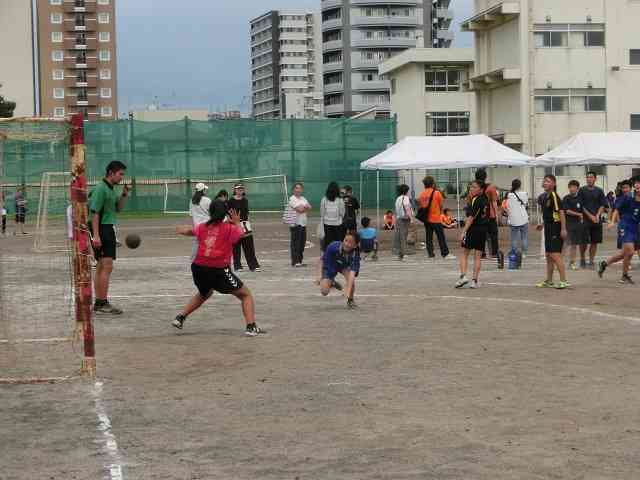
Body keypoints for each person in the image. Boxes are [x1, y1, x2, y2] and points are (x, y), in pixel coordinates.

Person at [173, 201, 264, 336]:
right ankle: (251, 327)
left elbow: (190, 231)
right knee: (246, 295)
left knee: (205, 293)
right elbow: (242, 235)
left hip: (198, 268)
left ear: (210, 212)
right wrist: (237, 222)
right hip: (218, 270)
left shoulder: (203, 227)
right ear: (225, 213)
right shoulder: (229, 228)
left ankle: (180, 317)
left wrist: (181, 230)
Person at [90, 160, 129, 314]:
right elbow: (94, 212)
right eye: (120, 174)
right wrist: (97, 235)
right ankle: (102, 302)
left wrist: (125, 194)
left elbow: (118, 209)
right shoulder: (101, 188)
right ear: (111, 173)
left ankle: (99, 302)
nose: (122, 177)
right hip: (102, 229)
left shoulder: (111, 189)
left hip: (106, 228)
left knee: (101, 266)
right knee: (107, 266)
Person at [598, 179, 640, 284]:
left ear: (631, 188)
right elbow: (616, 210)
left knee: (625, 254)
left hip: (635, 227)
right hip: (625, 226)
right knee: (630, 251)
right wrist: (612, 221)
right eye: (623, 188)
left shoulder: (634, 198)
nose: (625, 189)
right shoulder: (623, 198)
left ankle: (605, 264)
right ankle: (624, 275)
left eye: (627, 187)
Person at [536, 174, 569, 289]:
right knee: (549, 255)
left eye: (548, 181)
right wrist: (542, 224)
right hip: (548, 228)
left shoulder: (554, 196)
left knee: (555, 255)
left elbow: (561, 213)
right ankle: (549, 281)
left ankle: (564, 280)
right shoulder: (545, 197)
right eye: (544, 181)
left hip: (555, 228)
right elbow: (550, 215)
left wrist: (563, 229)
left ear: (554, 184)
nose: (545, 183)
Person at [455, 180, 489, 289]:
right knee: (477, 256)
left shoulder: (476, 200)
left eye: (474, 187)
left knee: (464, 253)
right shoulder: (485, 200)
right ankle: (474, 281)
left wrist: (463, 231)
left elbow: (471, 217)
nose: (471, 189)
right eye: (471, 187)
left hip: (473, 229)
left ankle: (463, 276)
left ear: (481, 189)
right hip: (483, 230)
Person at [320, 231, 361, 308]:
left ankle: (350, 300)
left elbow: (352, 275)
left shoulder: (355, 255)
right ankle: (332, 282)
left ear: (355, 245)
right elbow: (321, 260)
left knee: (350, 280)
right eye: (345, 240)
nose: (346, 244)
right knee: (324, 292)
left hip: (343, 266)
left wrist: (348, 291)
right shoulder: (333, 246)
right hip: (331, 265)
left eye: (350, 242)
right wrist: (319, 275)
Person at [417, 176, 454, 260]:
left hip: (427, 219)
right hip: (436, 219)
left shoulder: (422, 194)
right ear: (433, 184)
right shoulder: (437, 193)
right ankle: (445, 253)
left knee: (428, 237)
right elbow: (441, 205)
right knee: (441, 236)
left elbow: (421, 205)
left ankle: (431, 254)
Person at [228, 183, 261, 272]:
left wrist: (248, 223)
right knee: (236, 246)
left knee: (249, 246)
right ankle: (238, 266)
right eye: (238, 189)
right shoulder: (230, 201)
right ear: (234, 190)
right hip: (234, 225)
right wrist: (233, 223)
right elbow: (228, 214)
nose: (240, 190)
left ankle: (253, 265)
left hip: (245, 225)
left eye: (241, 189)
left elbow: (247, 213)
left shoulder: (245, 200)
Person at [578, 171, 607, 268]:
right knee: (584, 242)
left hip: (596, 220)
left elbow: (603, 204)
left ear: (595, 179)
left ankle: (591, 261)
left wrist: (598, 215)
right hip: (585, 220)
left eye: (591, 177)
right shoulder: (582, 190)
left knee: (595, 242)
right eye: (587, 177)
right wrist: (590, 216)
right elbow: (581, 206)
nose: (589, 179)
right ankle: (582, 258)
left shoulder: (599, 190)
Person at [562, 180, 586, 270]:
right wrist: (578, 214)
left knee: (574, 244)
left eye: (574, 187)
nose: (572, 189)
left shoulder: (580, 199)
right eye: (570, 187)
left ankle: (572, 263)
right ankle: (559, 262)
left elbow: (583, 210)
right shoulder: (566, 198)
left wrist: (583, 217)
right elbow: (566, 210)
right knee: (565, 244)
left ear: (577, 188)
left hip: (578, 225)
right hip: (568, 224)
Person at [475, 169, 499, 258]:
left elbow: (470, 202)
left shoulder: (473, 188)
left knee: (480, 235)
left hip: (478, 215)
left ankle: (481, 253)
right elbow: (494, 202)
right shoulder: (491, 187)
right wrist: (496, 214)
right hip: (490, 215)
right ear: (485, 177)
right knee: (493, 235)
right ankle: (494, 253)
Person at [288, 181, 311, 267]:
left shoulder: (303, 198)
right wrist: (304, 208)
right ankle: (295, 261)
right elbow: (300, 209)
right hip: (295, 224)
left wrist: (302, 208)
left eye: (300, 188)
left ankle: (300, 260)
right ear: (293, 190)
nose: (298, 190)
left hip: (303, 223)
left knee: (302, 243)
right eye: (296, 188)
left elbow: (309, 207)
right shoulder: (292, 198)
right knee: (295, 243)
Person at [505, 179, 529, 257]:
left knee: (514, 238)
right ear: (520, 185)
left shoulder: (509, 195)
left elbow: (507, 207)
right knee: (524, 237)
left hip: (513, 219)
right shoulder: (524, 194)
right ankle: (524, 253)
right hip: (524, 218)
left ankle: (514, 253)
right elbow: (525, 204)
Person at [189, 182, 211, 260]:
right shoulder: (207, 200)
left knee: (197, 242)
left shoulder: (192, 200)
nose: (206, 190)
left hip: (197, 226)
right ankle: (207, 258)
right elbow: (212, 212)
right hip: (207, 225)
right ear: (203, 190)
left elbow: (191, 214)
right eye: (205, 189)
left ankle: (193, 258)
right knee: (209, 242)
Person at [393, 184, 414, 261]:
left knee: (399, 236)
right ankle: (404, 254)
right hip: (405, 219)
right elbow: (407, 208)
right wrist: (411, 219)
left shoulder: (397, 198)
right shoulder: (406, 198)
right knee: (404, 236)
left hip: (399, 218)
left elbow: (396, 209)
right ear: (406, 191)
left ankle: (400, 254)